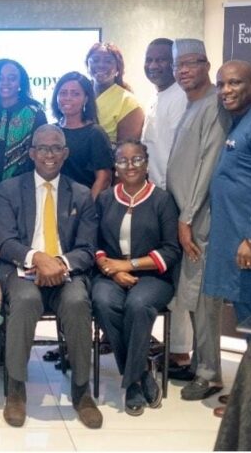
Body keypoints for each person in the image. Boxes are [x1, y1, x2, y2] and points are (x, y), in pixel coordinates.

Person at [0, 124, 101, 429]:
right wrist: (38, 259)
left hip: (66, 272)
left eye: (56, 148)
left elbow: (87, 249)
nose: (49, 154)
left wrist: (58, 264)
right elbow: (6, 241)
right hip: (23, 270)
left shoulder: (81, 194)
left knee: (79, 302)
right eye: (42, 148)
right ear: (31, 153)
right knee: (26, 301)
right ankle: (16, 389)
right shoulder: (10, 189)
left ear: (65, 153)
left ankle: (82, 392)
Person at [91, 140, 181, 416]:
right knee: (103, 301)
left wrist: (128, 265)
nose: (129, 166)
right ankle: (140, 373)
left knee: (138, 305)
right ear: (115, 166)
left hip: (154, 276)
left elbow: (171, 250)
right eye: (122, 161)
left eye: (137, 159)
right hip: (111, 274)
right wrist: (113, 269)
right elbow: (95, 243)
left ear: (146, 161)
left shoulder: (162, 200)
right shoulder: (106, 198)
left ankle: (131, 384)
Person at [166, 38, 230, 402]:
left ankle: (210, 374)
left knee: (205, 298)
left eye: (191, 63)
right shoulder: (192, 104)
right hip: (186, 216)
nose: (184, 70)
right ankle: (199, 364)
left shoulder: (214, 106)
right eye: (179, 65)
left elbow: (208, 166)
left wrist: (187, 216)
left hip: (199, 218)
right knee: (191, 294)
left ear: (207, 65)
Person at [140, 38, 195, 381]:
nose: (155, 65)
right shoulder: (158, 99)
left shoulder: (182, 100)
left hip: (175, 200)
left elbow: (181, 156)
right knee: (166, 275)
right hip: (157, 199)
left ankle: (180, 354)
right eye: (150, 59)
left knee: (179, 279)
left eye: (162, 60)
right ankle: (173, 348)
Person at [204, 60, 251, 417]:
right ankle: (244, 396)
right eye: (221, 84)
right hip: (233, 238)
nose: (226, 90)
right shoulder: (238, 123)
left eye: (234, 83)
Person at [0, 59, 47, 193]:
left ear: (20, 82)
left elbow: (38, 157)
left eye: (11, 78)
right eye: (0, 79)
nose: (5, 83)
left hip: (23, 192)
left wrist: (10, 190)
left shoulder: (34, 114)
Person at [51, 71, 113, 199]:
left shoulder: (95, 133)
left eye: (75, 94)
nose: (68, 98)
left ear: (86, 99)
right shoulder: (51, 131)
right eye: (63, 93)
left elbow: (104, 178)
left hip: (83, 205)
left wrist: (86, 210)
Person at [86, 42, 144, 145]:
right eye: (95, 60)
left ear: (118, 68)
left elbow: (126, 151)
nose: (101, 65)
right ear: (87, 65)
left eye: (108, 61)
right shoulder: (79, 94)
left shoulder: (128, 102)